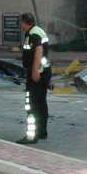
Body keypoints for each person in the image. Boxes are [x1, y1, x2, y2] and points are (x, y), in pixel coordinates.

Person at [16, 13, 52, 144]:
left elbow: (39, 49)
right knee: (41, 102)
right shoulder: (39, 30)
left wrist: (35, 69)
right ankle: (42, 132)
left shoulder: (32, 34)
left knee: (31, 104)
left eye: (21, 22)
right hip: (45, 71)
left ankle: (31, 136)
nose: (20, 25)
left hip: (37, 73)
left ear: (24, 22)